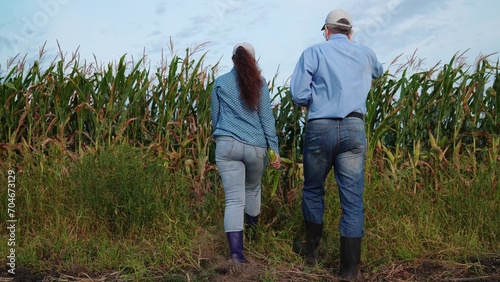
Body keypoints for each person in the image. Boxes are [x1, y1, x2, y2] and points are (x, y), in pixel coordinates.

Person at [290, 9, 383, 280]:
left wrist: (315, 101)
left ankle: (312, 254)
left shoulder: (313, 52)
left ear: (327, 31)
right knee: (352, 200)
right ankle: (349, 271)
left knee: (313, 189)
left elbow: (298, 94)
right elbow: (378, 71)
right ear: (350, 32)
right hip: (354, 128)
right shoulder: (364, 52)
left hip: (320, 127)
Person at [211, 42, 281, 263]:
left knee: (233, 200)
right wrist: (274, 149)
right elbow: (267, 118)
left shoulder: (220, 83)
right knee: (252, 189)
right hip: (255, 146)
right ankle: (252, 236)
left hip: (227, 144)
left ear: (233, 59)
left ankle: (237, 256)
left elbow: (216, 116)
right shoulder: (259, 84)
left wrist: (222, 136)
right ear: (253, 60)